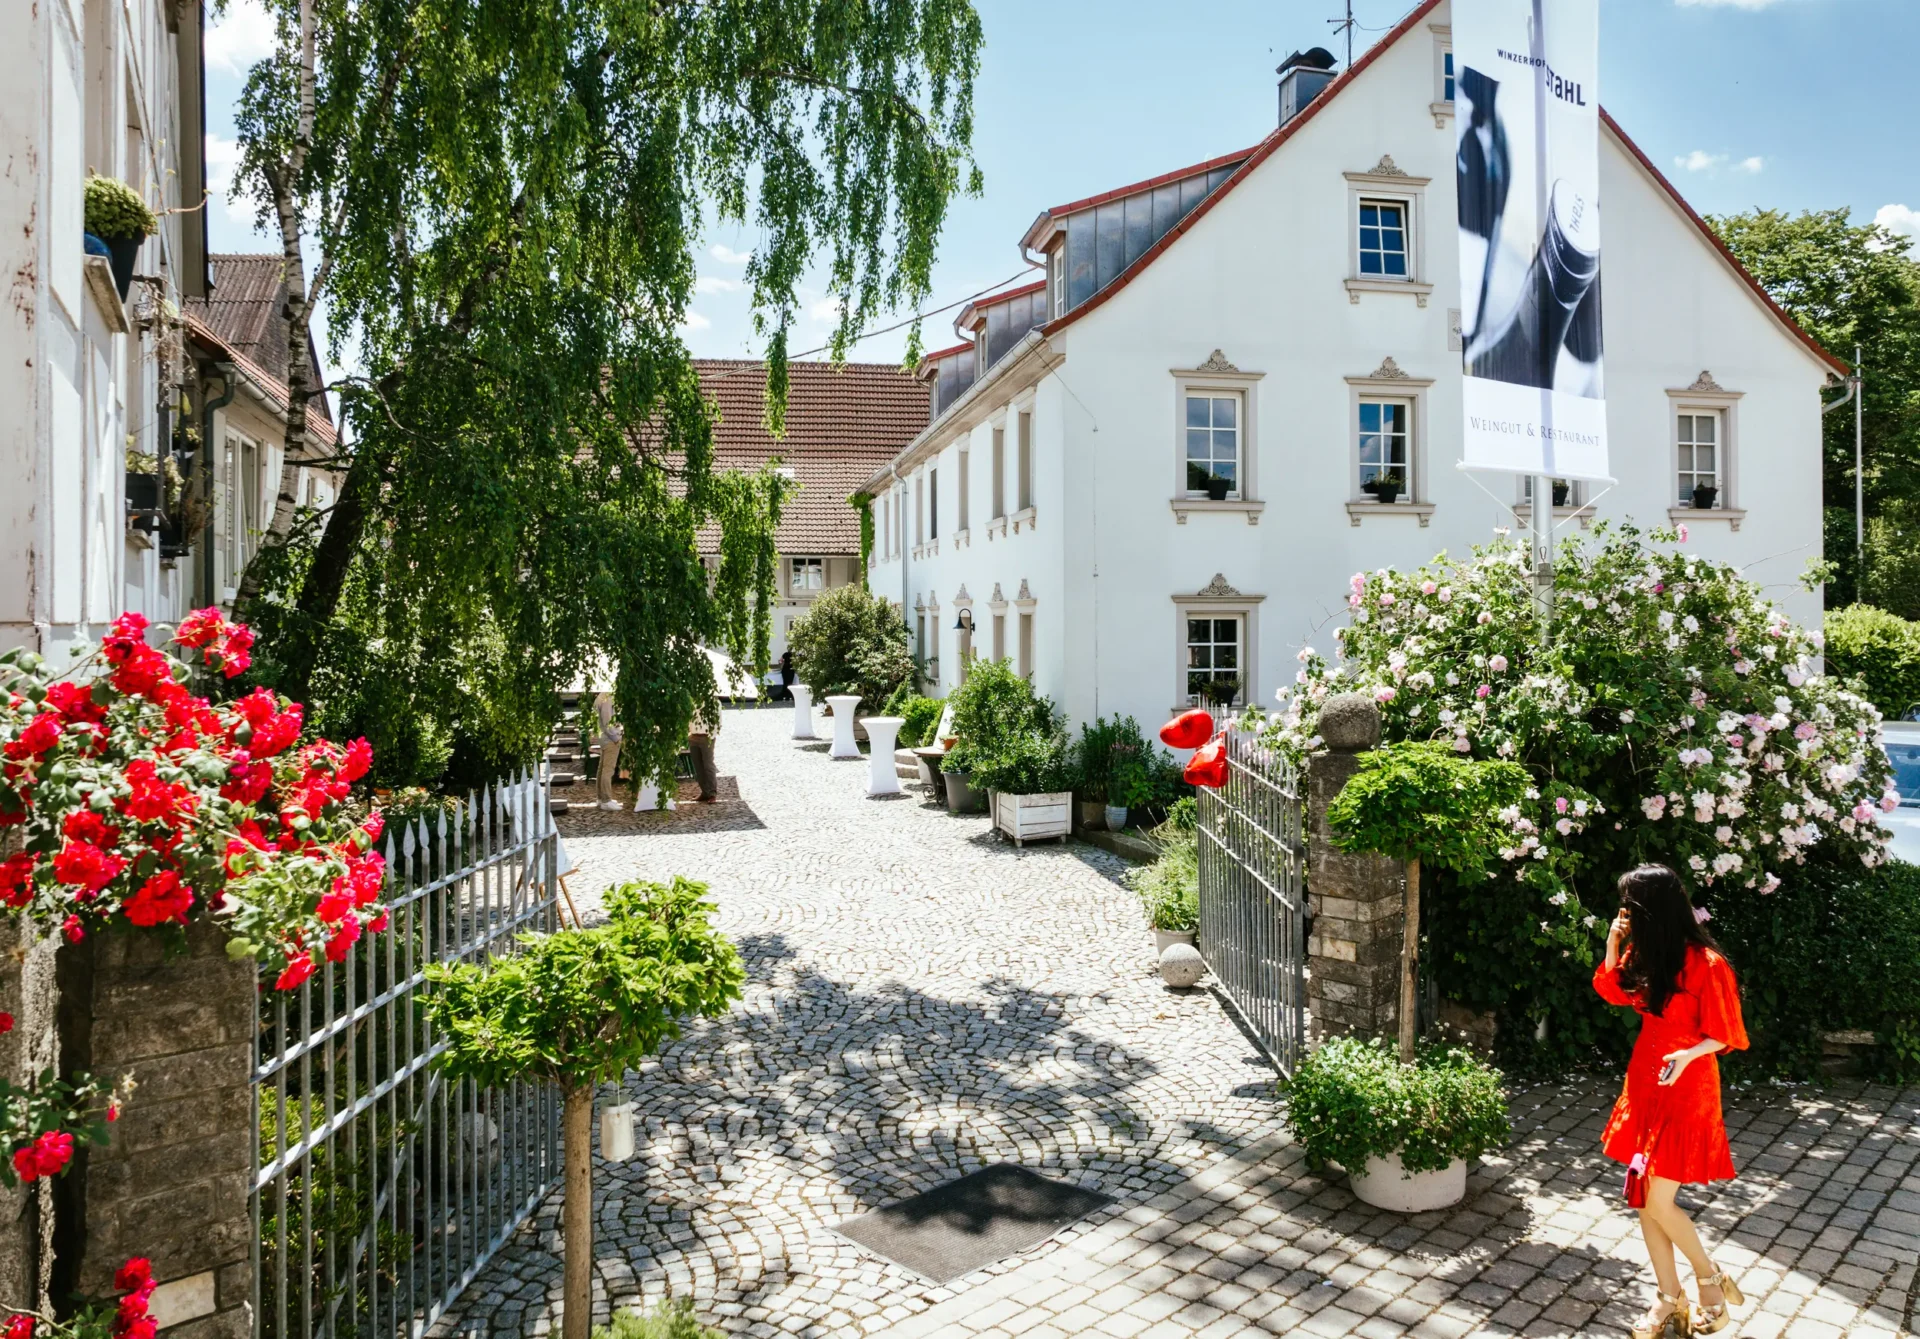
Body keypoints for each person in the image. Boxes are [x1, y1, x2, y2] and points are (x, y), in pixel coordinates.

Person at [1594, 864, 1750, 1338]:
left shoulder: (1707, 963)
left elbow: (1729, 1034)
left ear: (1651, 909)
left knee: (1661, 1201)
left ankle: (1709, 1282)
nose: (1623, 914)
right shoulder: (1647, 953)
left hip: (1688, 1086)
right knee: (1644, 1200)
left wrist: (1689, 1052)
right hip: (1645, 1081)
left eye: (1629, 907)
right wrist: (1613, 944)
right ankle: (1669, 1298)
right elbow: (1613, 992)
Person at [593, 690, 623, 811]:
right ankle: (606, 799)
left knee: (602, 768)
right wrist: (616, 737)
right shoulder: (606, 698)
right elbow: (607, 722)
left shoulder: (602, 697)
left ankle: (601, 797)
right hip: (610, 739)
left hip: (605, 738)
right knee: (608, 769)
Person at [688, 698, 720, 802]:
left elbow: (718, 721)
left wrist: (711, 736)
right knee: (698, 766)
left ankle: (712, 793)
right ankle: (705, 792)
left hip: (706, 737)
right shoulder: (692, 701)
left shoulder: (714, 703)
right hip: (693, 736)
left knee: (708, 764)